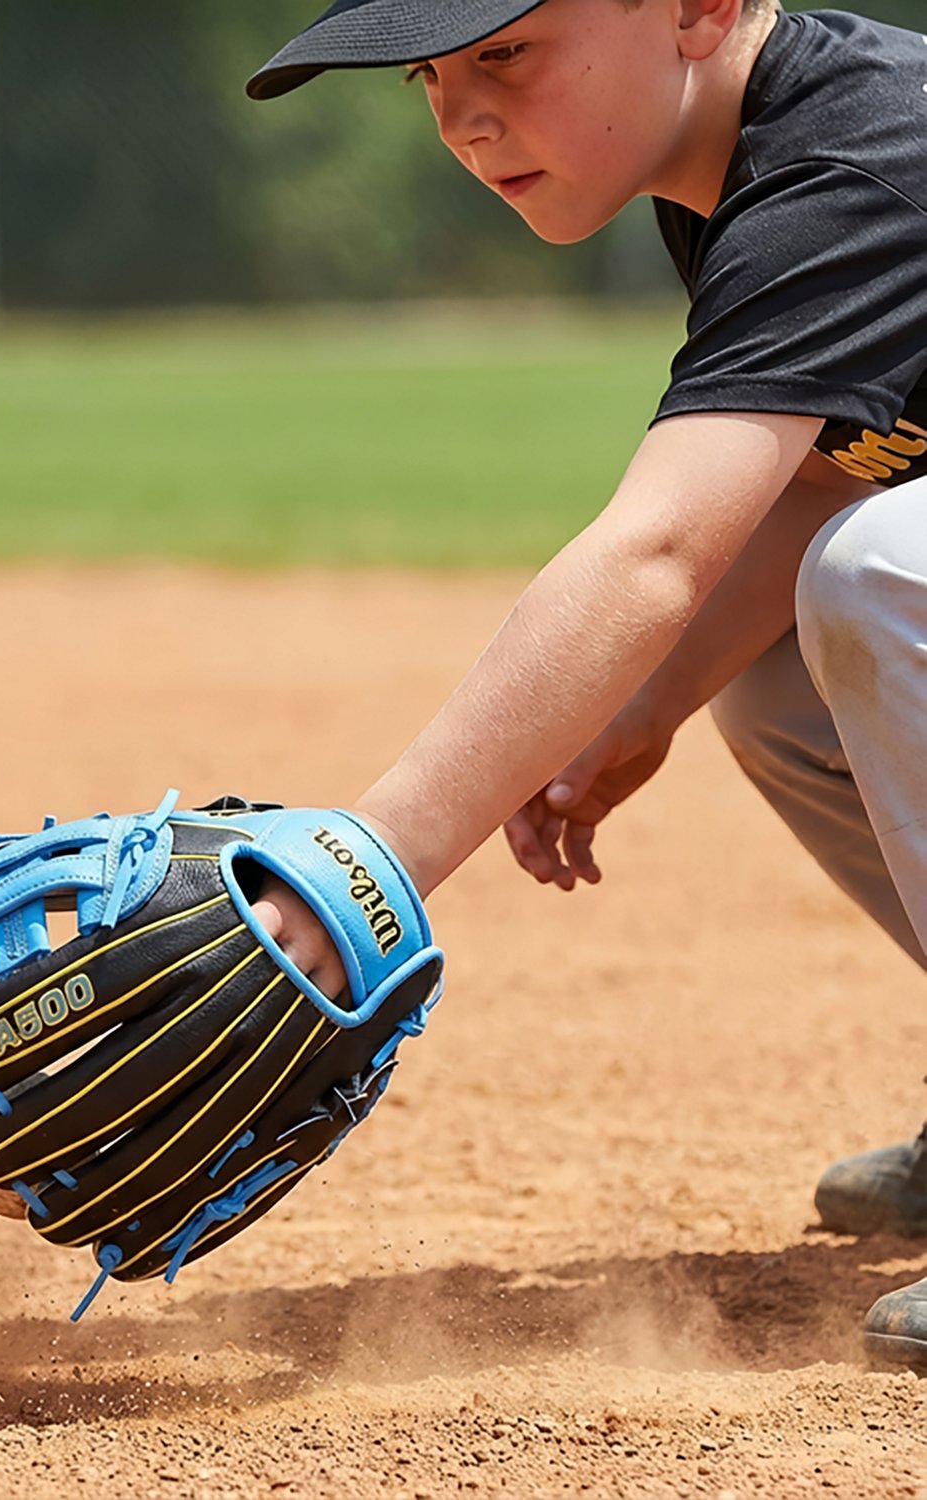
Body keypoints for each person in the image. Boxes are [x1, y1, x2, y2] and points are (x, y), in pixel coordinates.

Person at [243, 0, 927, 1368]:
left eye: (503, 51)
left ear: (697, 9)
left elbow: (659, 550)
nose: (462, 113)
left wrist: (353, 876)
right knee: (785, 661)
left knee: (879, 580)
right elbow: (826, 470)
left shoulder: (863, 158)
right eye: (432, 74)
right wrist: (643, 704)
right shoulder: (740, 164)